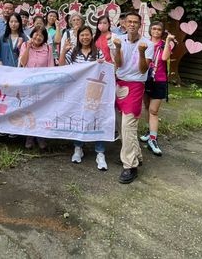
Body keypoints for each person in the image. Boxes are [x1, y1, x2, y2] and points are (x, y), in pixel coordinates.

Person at [109, 11, 150, 184]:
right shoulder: (118, 40)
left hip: (135, 85)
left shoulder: (147, 44)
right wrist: (117, 48)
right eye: (129, 21)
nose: (132, 24)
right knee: (121, 124)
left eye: (135, 22)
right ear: (124, 24)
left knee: (128, 125)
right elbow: (117, 64)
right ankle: (137, 156)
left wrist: (141, 52)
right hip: (119, 83)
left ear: (140, 25)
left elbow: (143, 70)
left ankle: (130, 165)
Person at [59, 25, 107, 170]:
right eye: (82, 35)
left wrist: (101, 65)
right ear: (78, 37)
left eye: (87, 35)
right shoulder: (73, 53)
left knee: (97, 120)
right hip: (77, 93)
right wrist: (63, 51)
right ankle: (78, 148)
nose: (85, 37)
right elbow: (62, 67)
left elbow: (104, 71)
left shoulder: (98, 53)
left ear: (91, 36)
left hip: (94, 94)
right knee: (78, 119)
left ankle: (100, 152)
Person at [142, 22, 176, 156]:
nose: (156, 31)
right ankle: (150, 131)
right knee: (146, 106)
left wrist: (167, 41)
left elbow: (164, 57)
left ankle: (153, 139)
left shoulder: (163, 44)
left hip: (159, 80)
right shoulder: (144, 43)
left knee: (153, 110)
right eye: (154, 28)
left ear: (162, 32)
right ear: (150, 30)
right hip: (145, 79)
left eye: (159, 29)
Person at [18, 27, 53, 150]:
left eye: (40, 36)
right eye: (35, 35)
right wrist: (28, 47)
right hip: (28, 84)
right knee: (29, 110)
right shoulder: (24, 45)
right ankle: (29, 136)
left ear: (44, 38)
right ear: (32, 35)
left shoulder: (48, 48)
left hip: (42, 84)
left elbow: (50, 66)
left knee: (41, 110)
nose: (37, 37)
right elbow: (22, 62)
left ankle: (40, 136)